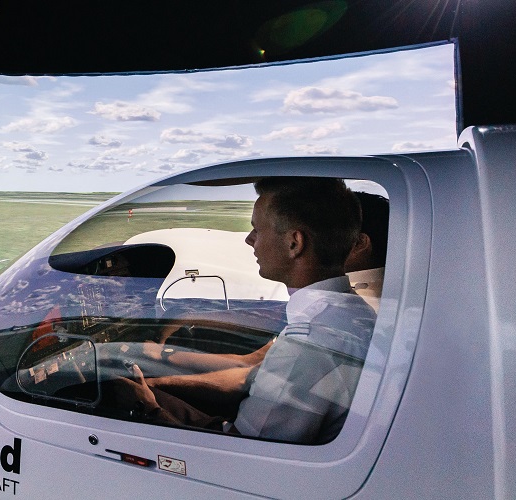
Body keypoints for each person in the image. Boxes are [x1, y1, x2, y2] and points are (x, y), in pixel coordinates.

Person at [112, 177, 377, 443]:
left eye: (257, 230)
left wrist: (146, 407)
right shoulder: (349, 311)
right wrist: (157, 384)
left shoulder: (310, 344)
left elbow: (243, 450)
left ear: (295, 243)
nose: (250, 240)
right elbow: (251, 375)